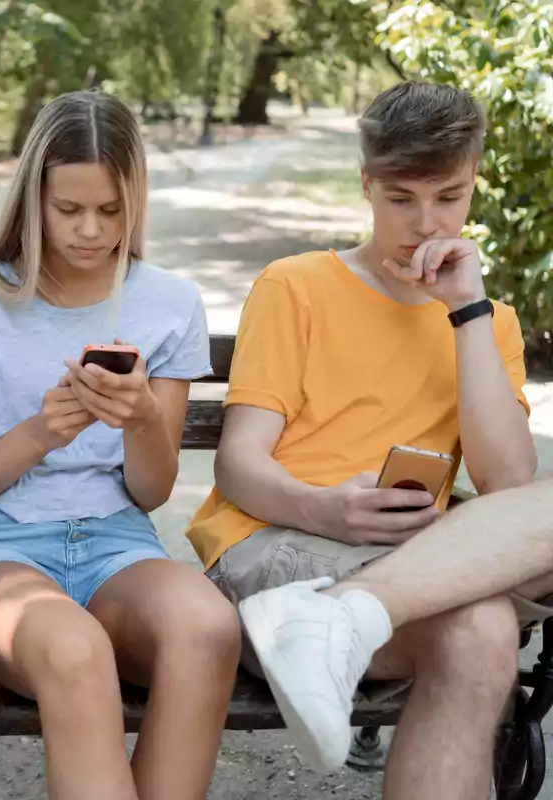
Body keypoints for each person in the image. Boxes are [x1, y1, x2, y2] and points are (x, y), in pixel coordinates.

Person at [185, 82, 540, 798]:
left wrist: (466, 312)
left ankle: (345, 617)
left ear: (474, 183)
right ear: (366, 185)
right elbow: (240, 464)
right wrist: (325, 510)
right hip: (270, 547)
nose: (427, 222)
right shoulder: (297, 287)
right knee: (484, 627)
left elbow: (511, 489)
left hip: (410, 565)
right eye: (401, 198)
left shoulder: (488, 322)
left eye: (449, 196)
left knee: (481, 628)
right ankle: (327, 615)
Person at [0, 89, 240, 800]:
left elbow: (153, 492)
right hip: (4, 552)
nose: (90, 231)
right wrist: (46, 430)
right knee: (74, 648)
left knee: (209, 628)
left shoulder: (168, 301)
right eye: (68, 210)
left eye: (111, 210)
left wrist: (138, 421)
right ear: (31, 198)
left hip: (120, 545)